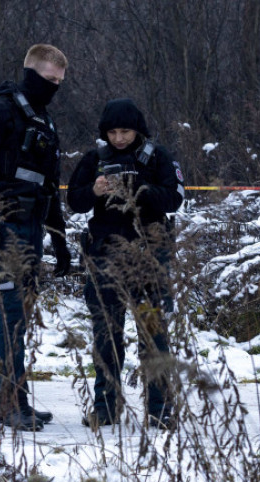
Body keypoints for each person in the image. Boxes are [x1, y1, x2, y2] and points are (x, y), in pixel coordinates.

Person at [0, 44, 71, 432]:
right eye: (48, 80)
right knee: (10, 315)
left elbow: (49, 186)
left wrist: (59, 238)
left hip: (32, 228)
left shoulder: (44, 121)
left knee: (20, 316)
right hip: (3, 226)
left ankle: (15, 398)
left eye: (58, 83)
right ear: (31, 73)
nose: (53, 88)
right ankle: (4, 403)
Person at [67, 98, 185, 430]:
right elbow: (73, 201)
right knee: (107, 333)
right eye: (113, 132)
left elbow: (174, 197)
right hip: (105, 254)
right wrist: (94, 190)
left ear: (138, 131)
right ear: (105, 133)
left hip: (150, 253)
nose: (120, 139)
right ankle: (105, 407)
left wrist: (138, 191)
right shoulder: (94, 159)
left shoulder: (158, 157)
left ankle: (160, 408)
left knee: (153, 333)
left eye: (126, 132)